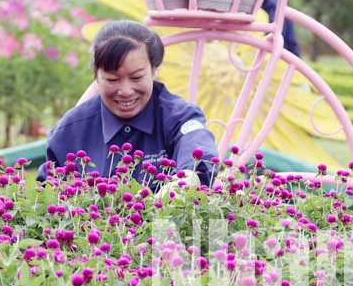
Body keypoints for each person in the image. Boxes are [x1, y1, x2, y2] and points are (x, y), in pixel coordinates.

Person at [39, 20, 218, 188]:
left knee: (217, 222)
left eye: (136, 77)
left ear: (155, 70)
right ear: (96, 75)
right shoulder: (70, 131)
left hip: (165, 221)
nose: (125, 91)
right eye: (112, 79)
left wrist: (186, 179)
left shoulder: (178, 117)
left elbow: (197, 144)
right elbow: (46, 194)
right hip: (92, 222)